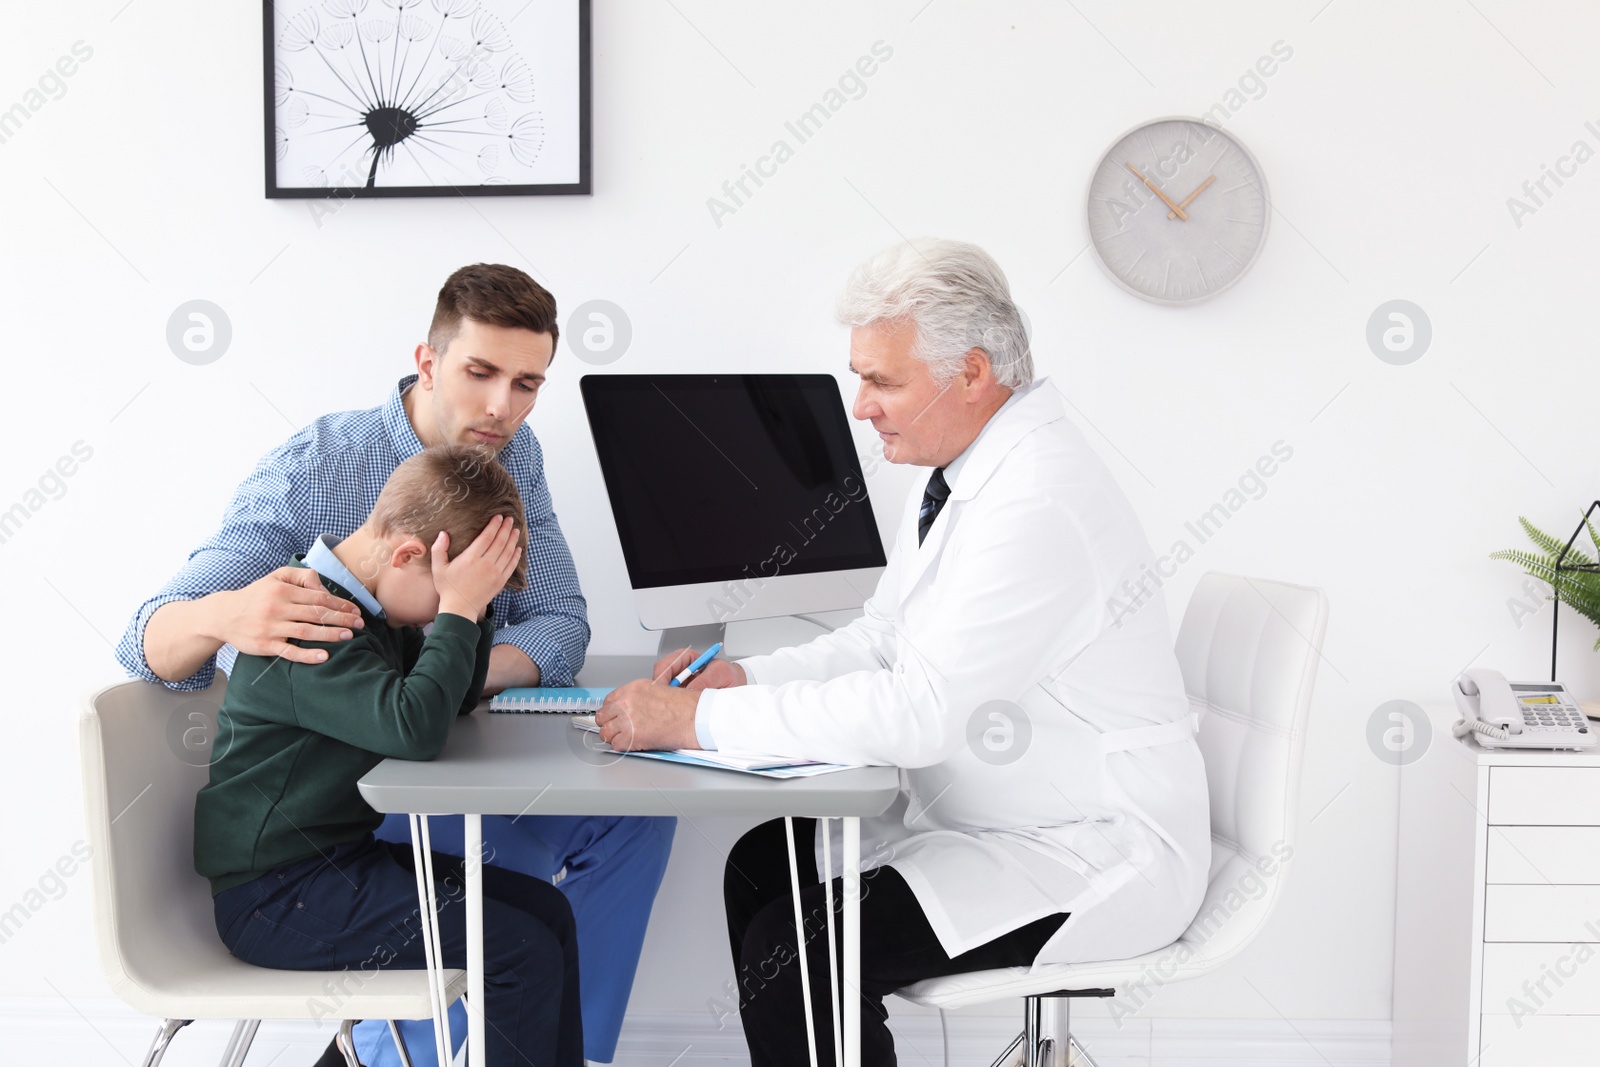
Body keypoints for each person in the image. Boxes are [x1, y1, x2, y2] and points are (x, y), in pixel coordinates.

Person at [594, 238, 1211, 1065]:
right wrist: (747, 676)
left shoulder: (1036, 499)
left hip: (1088, 847)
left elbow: (919, 714)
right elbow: (885, 636)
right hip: (998, 818)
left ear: (972, 374)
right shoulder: (963, 473)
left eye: (882, 380)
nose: (859, 405)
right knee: (762, 865)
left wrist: (700, 718)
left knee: (797, 949)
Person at [115, 263, 672, 1066]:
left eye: (526, 384)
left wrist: (451, 669)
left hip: (405, 748)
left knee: (629, 822)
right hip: (329, 810)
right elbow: (147, 638)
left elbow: (559, 618)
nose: (500, 409)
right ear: (428, 359)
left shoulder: (513, 455)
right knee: (501, 908)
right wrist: (229, 613)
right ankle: (387, 1052)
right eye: (481, 374)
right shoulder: (318, 473)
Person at [195, 444, 582, 1066]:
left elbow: (447, 704)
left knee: (547, 913)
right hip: (276, 896)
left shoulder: (375, 613)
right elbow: (415, 731)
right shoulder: (311, 621)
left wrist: (468, 607)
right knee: (519, 952)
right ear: (407, 556)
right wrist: (455, 609)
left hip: (338, 863)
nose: (443, 616)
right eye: (445, 598)